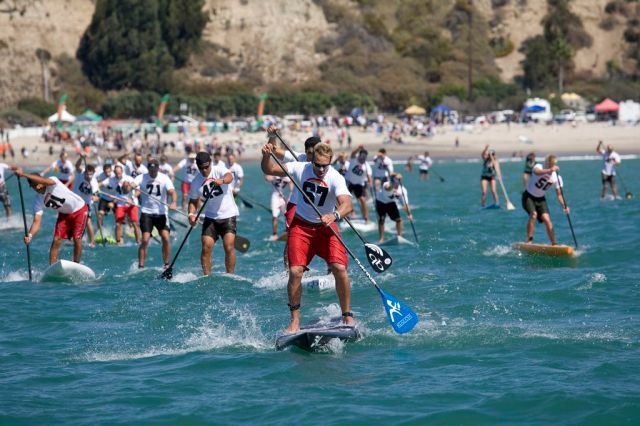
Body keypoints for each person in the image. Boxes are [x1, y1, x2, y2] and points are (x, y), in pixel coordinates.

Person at [260, 142, 355, 333]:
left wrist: (335, 215)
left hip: (326, 229)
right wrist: (266, 155)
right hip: (301, 227)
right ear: (312, 160)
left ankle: (347, 315)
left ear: (330, 161)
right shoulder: (300, 168)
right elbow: (269, 168)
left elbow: (347, 204)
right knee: (295, 272)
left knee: (339, 268)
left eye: (324, 165)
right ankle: (295, 321)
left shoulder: (335, 177)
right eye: (317, 165)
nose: (321, 169)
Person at [12, 167, 89, 264]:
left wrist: (23, 174)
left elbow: (44, 181)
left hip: (80, 209)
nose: (38, 187)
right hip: (64, 214)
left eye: (37, 183)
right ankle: (52, 267)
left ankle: (77, 264)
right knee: (56, 239)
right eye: (34, 185)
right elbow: (36, 221)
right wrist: (30, 235)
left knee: (76, 238)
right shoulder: (38, 201)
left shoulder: (53, 180)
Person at [188, 152, 239, 275]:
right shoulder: (196, 182)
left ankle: (230, 275)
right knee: (206, 246)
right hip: (210, 218)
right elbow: (193, 202)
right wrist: (191, 215)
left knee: (228, 246)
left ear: (210, 163)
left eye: (206, 167)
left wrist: (222, 181)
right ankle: (206, 276)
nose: (205, 170)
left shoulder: (219, 170)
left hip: (228, 215)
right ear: (198, 166)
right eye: (201, 168)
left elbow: (229, 177)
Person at [134, 159, 177, 269]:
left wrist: (173, 202)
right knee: (145, 239)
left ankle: (166, 264)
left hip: (161, 213)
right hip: (146, 212)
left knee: (166, 238)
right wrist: (127, 186)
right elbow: (132, 185)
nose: (153, 171)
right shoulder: (141, 177)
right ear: (148, 168)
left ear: (158, 168)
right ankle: (141, 265)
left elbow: (172, 192)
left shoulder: (164, 178)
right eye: (150, 169)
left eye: (155, 169)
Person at [521, 155, 569, 245]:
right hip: (528, 197)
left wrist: (565, 206)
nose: (550, 166)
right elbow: (536, 172)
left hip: (541, 199)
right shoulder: (539, 166)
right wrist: (549, 170)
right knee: (534, 215)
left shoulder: (557, 178)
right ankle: (529, 240)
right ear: (546, 163)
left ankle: (554, 243)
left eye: (552, 165)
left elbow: (559, 195)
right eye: (549, 164)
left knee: (547, 220)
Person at [100, 165, 140, 245]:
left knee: (134, 223)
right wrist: (94, 190)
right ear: (114, 173)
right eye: (116, 173)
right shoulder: (112, 179)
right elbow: (101, 184)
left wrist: (131, 198)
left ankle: (139, 242)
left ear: (122, 172)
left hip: (132, 203)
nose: (118, 175)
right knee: (118, 224)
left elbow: (138, 191)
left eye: (119, 173)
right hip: (120, 204)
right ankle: (118, 242)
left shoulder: (129, 179)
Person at [375, 172, 411, 243]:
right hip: (380, 202)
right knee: (382, 220)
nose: (397, 183)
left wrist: (409, 214)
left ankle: (400, 236)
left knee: (399, 220)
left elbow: (405, 204)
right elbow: (388, 188)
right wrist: (393, 182)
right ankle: (381, 239)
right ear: (392, 180)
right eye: (396, 180)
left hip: (391, 203)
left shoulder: (403, 190)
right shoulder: (386, 184)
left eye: (398, 181)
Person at [72, 164, 99, 246]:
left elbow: (96, 196)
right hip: (75, 202)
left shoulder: (94, 182)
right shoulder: (80, 175)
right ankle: (74, 239)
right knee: (73, 221)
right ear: (84, 173)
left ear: (94, 173)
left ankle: (92, 242)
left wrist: (95, 198)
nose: (89, 176)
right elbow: (77, 165)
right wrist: (81, 157)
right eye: (87, 174)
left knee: (88, 222)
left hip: (86, 204)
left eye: (91, 174)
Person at [345, 147, 372, 223]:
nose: (363, 158)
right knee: (346, 199)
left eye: (364, 157)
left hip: (359, 185)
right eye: (361, 156)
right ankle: (348, 215)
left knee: (362, 200)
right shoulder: (354, 159)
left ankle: (366, 218)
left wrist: (370, 182)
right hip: (349, 182)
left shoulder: (367, 166)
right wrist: (358, 148)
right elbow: (353, 153)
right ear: (359, 155)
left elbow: (369, 176)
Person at [265, 175, 292, 240]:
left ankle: (287, 231)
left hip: (283, 198)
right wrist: (273, 177)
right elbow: (267, 177)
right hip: (275, 197)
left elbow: (291, 187)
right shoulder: (275, 174)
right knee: (275, 216)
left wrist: (289, 197)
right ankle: (274, 234)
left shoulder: (287, 176)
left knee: (287, 215)